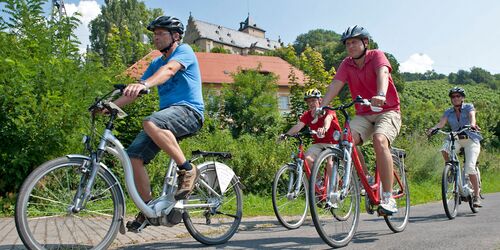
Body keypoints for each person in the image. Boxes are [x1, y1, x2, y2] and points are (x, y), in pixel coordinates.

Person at [112, 16, 204, 231]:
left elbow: (169, 71)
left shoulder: (185, 51)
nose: (156, 37)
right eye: (154, 34)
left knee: (151, 121)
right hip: (167, 117)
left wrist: (144, 83)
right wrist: (109, 106)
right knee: (133, 156)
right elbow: (134, 92)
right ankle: (149, 210)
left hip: (190, 111)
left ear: (176, 36)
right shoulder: (155, 63)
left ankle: (188, 170)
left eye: (161, 33)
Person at [320, 25, 402, 215]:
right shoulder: (346, 64)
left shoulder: (376, 56)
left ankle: (388, 198)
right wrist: (323, 106)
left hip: (387, 110)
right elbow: (335, 84)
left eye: (354, 42)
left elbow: (383, 72)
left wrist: (381, 94)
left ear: (365, 43)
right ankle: (366, 178)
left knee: (379, 140)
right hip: (364, 114)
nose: (350, 46)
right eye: (347, 43)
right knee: (345, 139)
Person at [426, 87, 483, 207]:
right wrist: (433, 129)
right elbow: (441, 124)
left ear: (462, 98)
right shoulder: (448, 111)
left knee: (470, 167)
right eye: (453, 96)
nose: (456, 98)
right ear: (451, 99)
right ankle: (451, 169)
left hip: (471, 139)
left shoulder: (468, 107)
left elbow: (472, 116)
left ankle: (477, 196)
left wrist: (472, 125)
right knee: (444, 149)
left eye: (458, 96)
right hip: (456, 138)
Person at [281, 88, 341, 177]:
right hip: (318, 144)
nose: (311, 104)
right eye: (308, 102)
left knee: (330, 164)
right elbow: (298, 126)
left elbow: (328, 120)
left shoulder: (328, 110)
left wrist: (324, 128)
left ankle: (336, 188)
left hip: (333, 143)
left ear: (320, 100)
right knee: (307, 160)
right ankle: (318, 183)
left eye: (313, 100)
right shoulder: (308, 115)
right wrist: (286, 135)